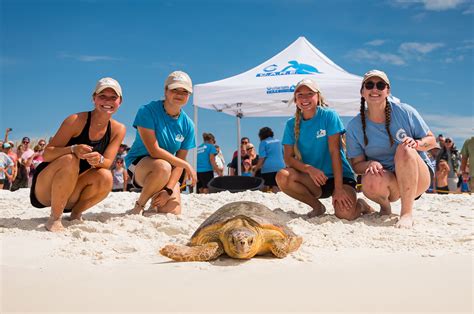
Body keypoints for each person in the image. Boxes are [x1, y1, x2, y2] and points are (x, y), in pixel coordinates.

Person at [30, 77, 126, 232]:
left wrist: (99, 159)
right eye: (102, 96)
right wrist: (73, 149)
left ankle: (75, 214)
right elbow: (46, 154)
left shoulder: (118, 129)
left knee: (106, 176)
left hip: (72, 189)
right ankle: (55, 218)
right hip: (45, 188)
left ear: (120, 101)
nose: (107, 101)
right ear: (94, 98)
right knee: (70, 159)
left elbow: (107, 162)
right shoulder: (76, 120)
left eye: (113, 97)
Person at [345, 70, 436, 228]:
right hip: (388, 180)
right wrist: (369, 164)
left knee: (405, 149)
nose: (375, 89)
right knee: (370, 178)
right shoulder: (354, 126)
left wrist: (417, 144)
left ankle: (406, 213)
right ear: (362, 92)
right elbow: (357, 165)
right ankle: (385, 208)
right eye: (369, 85)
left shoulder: (405, 111)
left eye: (380, 85)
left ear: (388, 91)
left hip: (418, 177)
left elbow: (432, 140)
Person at [276, 78, 373, 220]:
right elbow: (288, 158)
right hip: (315, 179)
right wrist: (309, 169)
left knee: (345, 215)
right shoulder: (291, 124)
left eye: (310, 93)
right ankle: (317, 206)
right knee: (282, 176)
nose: (305, 98)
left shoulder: (328, 115)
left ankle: (362, 205)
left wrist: (339, 189)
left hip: (340, 177)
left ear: (318, 96)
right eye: (300, 95)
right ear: (295, 100)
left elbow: (335, 152)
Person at [125, 70, 197, 215]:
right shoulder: (147, 111)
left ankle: (157, 197)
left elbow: (179, 161)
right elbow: (154, 151)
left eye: (184, 91)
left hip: (168, 169)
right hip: (140, 165)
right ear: (165, 90)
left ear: (189, 96)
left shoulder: (188, 125)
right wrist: (186, 165)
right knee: (162, 167)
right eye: (175, 89)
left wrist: (168, 190)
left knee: (172, 212)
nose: (179, 94)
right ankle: (139, 205)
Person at [253, 127, 285, 193]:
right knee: (276, 185)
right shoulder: (279, 142)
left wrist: (255, 170)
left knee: (265, 185)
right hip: (281, 167)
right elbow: (283, 155)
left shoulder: (263, 143)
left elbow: (262, 158)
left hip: (268, 168)